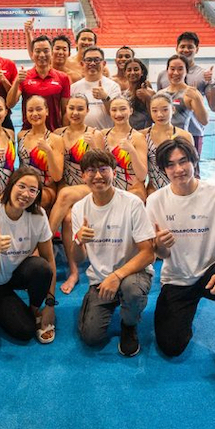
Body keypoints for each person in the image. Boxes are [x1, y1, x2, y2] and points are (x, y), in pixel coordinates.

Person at [146, 138, 215, 387]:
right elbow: (154, 253)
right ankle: (183, 315)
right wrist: (161, 244)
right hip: (177, 277)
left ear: (194, 161)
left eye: (183, 161)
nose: (178, 169)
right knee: (171, 346)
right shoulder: (156, 201)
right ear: (163, 170)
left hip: (211, 271)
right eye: (170, 165)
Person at [71, 149, 155, 356]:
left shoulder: (132, 203)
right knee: (90, 337)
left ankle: (129, 324)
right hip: (100, 277)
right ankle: (98, 299)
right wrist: (78, 241)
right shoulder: (79, 208)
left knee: (132, 290)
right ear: (83, 176)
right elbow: (78, 258)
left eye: (103, 169)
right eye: (91, 170)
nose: (98, 175)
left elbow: (148, 254)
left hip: (133, 273)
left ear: (114, 172)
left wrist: (117, 276)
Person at [0, 167, 57, 343]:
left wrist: (49, 304)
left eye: (32, 190)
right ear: (11, 186)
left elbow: (49, 259)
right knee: (24, 331)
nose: (26, 194)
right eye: (22, 186)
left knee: (42, 268)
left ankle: (35, 309)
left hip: (16, 271)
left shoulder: (38, 215)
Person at [48, 93, 104, 294]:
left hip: (90, 187)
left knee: (65, 195)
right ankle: (73, 271)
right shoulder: (58, 134)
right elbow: (57, 171)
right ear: (66, 110)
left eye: (80, 108)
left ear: (87, 111)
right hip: (69, 188)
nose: (75, 112)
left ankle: (42, 243)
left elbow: (103, 168)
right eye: (72, 108)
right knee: (70, 220)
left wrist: (95, 146)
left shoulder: (94, 134)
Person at [155, 32, 215, 158]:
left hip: (193, 132)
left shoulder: (204, 75)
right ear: (177, 48)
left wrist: (211, 83)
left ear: (196, 49)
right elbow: (159, 105)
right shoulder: (163, 75)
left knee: (190, 171)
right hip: (166, 134)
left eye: (190, 47)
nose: (186, 50)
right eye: (183, 46)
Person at [156, 54, 209, 176]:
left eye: (180, 69)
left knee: (187, 176)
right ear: (167, 70)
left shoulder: (190, 93)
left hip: (182, 142)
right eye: (172, 69)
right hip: (162, 142)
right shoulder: (160, 93)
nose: (175, 72)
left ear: (186, 71)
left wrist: (197, 99)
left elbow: (204, 120)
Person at [7, 35, 71, 132]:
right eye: (38, 51)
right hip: (28, 134)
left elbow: (65, 111)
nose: (42, 55)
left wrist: (64, 132)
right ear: (32, 54)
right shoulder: (24, 77)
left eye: (46, 51)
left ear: (51, 53)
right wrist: (16, 82)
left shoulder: (63, 78)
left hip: (54, 133)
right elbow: (10, 104)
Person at [16, 95, 64, 212]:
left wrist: (48, 151)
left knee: (27, 198)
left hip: (45, 188)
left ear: (46, 111)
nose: (34, 114)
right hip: (23, 186)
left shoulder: (55, 139)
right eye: (30, 110)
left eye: (39, 109)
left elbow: (57, 176)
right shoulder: (21, 135)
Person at [141, 93, 193, 194]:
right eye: (154, 111)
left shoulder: (185, 136)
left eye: (165, 110)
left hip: (180, 188)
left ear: (173, 110)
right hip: (153, 190)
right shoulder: (142, 135)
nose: (160, 115)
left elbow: (191, 167)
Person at [102, 96, 148, 201]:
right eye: (114, 110)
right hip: (109, 188)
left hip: (133, 189)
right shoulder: (103, 134)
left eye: (123, 109)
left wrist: (131, 151)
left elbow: (142, 176)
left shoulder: (138, 137)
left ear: (131, 111)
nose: (118, 114)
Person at [70, 46, 121, 130]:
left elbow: (117, 114)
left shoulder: (113, 86)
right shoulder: (74, 87)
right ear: (82, 64)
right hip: (82, 138)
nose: (92, 63)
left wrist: (105, 98)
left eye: (96, 60)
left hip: (105, 137)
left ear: (103, 64)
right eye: (89, 60)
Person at [123, 57, 154, 130]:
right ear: (125, 73)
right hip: (128, 134)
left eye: (136, 69)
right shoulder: (124, 94)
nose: (132, 72)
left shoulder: (149, 92)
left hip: (144, 134)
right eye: (129, 70)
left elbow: (154, 117)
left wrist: (148, 98)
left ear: (142, 72)